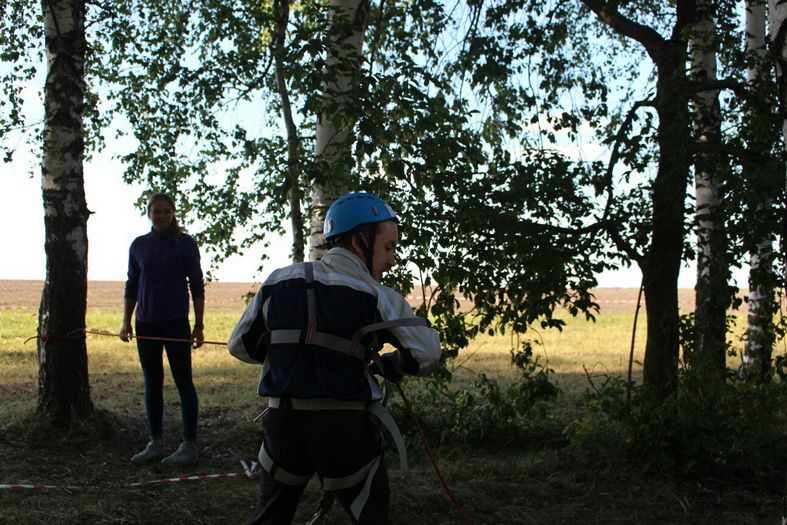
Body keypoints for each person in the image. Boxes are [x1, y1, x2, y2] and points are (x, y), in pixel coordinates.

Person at [228, 191, 441, 524]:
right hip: (344, 432)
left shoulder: (278, 280)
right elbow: (427, 354)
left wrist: (290, 354)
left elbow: (239, 344)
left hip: (284, 426)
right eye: (388, 247)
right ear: (359, 242)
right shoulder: (377, 295)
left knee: (269, 518)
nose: (393, 259)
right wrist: (389, 365)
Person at [120, 192, 205, 467]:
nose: (161, 215)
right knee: (152, 383)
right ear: (149, 214)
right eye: (157, 211)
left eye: (166, 211)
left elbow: (197, 285)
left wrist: (199, 325)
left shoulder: (185, 244)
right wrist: (125, 321)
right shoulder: (138, 245)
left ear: (173, 213)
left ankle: (189, 445)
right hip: (145, 323)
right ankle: (154, 443)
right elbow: (132, 285)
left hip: (176, 323)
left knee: (184, 382)